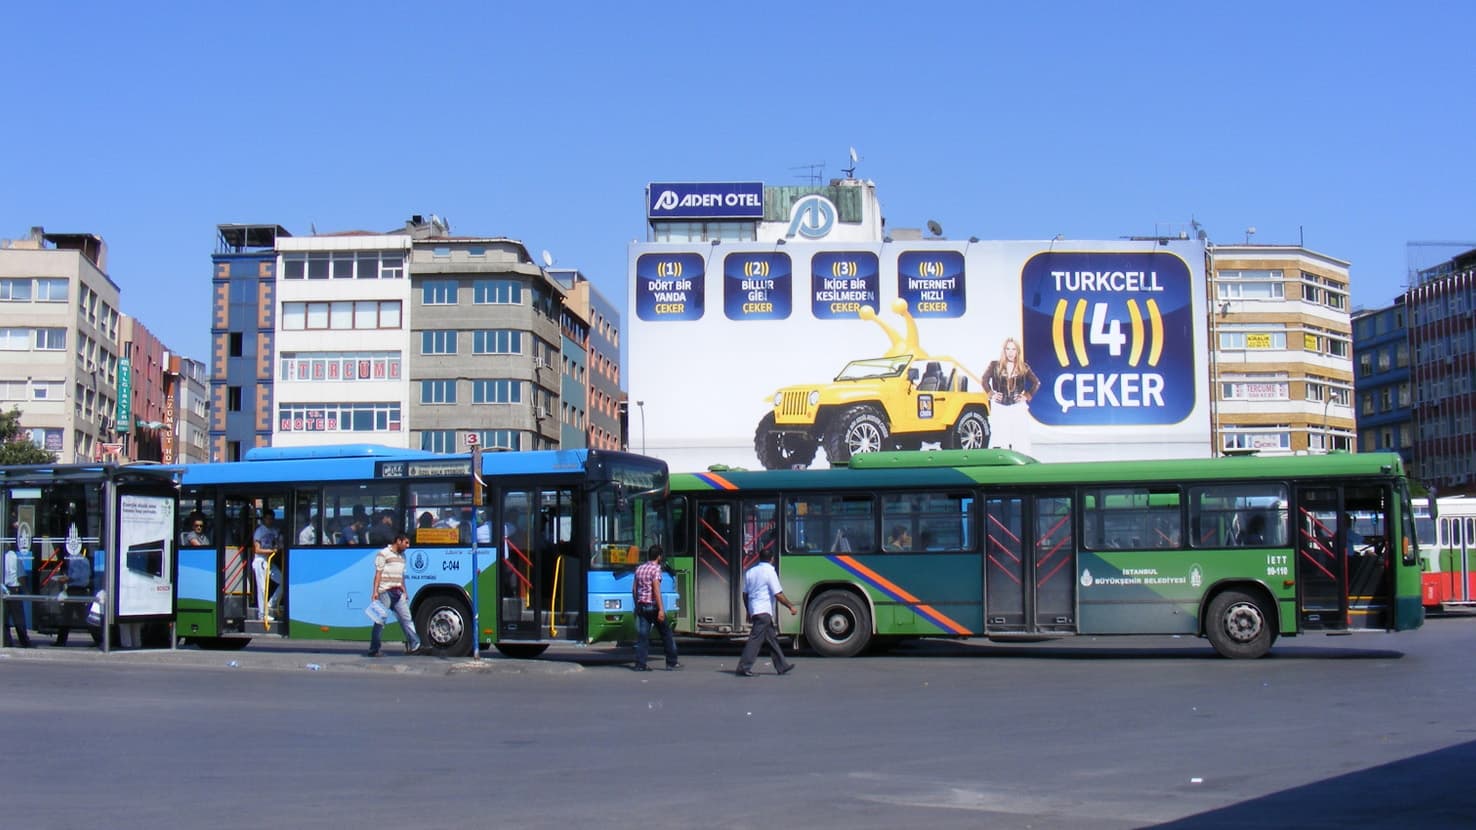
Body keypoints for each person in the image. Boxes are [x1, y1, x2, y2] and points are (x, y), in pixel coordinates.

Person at [736, 548, 798, 677]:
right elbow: (778, 594)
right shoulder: (770, 572)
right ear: (772, 559)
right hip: (764, 610)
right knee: (755, 639)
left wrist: (748, 610)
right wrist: (790, 606)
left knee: (771, 639)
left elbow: (745, 594)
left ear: (759, 558)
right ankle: (744, 667)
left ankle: (782, 666)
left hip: (755, 609)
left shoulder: (751, 571)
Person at [366, 533, 423, 657]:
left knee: (406, 618)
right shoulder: (383, 553)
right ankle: (374, 649)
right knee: (380, 620)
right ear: (398, 541)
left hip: (397, 592)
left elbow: (402, 576)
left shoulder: (403, 556)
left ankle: (415, 645)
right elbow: (378, 574)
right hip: (385, 591)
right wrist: (375, 592)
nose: (408, 546)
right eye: (406, 543)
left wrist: (405, 591)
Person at [982, 336, 1041, 454]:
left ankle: (1022, 461)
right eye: (1008, 349)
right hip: (999, 405)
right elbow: (984, 380)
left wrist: (1027, 396)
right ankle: (999, 462)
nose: (1010, 352)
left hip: (1017, 406)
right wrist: (991, 394)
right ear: (1004, 351)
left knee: (1019, 436)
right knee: (999, 436)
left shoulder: (1023, 367)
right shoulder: (994, 365)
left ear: (1017, 351)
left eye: (1013, 349)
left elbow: (1036, 382)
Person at [631, 546, 680, 671]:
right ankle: (671, 662)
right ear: (659, 556)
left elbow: (634, 590)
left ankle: (640, 664)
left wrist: (637, 606)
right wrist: (661, 609)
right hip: (653, 606)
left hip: (642, 606)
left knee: (643, 637)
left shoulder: (640, 569)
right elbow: (656, 590)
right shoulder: (656, 570)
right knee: (666, 634)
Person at [52, 546, 92, 647]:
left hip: (74, 590)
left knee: (68, 616)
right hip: (82, 590)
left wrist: (63, 579)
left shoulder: (74, 560)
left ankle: (61, 641)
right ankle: (99, 638)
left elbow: (74, 576)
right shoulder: (85, 559)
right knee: (80, 616)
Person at [252, 510, 283, 622]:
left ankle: (270, 604)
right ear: (263, 519)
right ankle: (262, 614)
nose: (269, 521)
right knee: (262, 588)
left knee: (283, 581)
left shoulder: (274, 531)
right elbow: (257, 549)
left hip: (269, 561)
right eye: (267, 518)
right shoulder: (259, 531)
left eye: (271, 518)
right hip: (260, 560)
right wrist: (271, 550)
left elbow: (278, 541)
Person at [3, 541, 33, 648]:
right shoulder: (16, 558)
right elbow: (21, 577)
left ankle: (6, 640)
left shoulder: (3, 557)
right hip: (14, 589)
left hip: (3, 589)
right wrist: (26, 591)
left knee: (4, 617)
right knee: (18, 617)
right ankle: (24, 640)